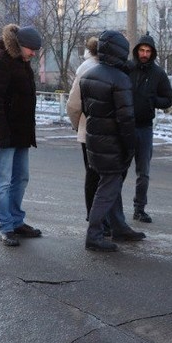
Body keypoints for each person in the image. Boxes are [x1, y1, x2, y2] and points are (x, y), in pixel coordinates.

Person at [79, 30, 145, 252]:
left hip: (95, 140)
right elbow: (126, 119)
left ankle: (118, 227)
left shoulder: (89, 74)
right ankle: (94, 235)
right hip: (113, 144)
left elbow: (87, 110)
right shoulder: (120, 79)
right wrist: (130, 146)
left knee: (108, 186)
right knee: (107, 189)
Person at [0, 24, 44, 247]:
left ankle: (17, 221)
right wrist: (1, 134)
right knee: (2, 182)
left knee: (21, 178)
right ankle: (6, 227)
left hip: (21, 133)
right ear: (20, 45)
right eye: (31, 49)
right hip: (3, 135)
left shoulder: (21, 61)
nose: (33, 54)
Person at [128, 34, 172, 223]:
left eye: (148, 51)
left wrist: (152, 101)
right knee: (118, 171)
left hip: (145, 128)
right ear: (137, 50)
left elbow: (168, 99)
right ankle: (111, 211)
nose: (144, 54)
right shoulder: (127, 68)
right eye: (141, 50)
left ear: (152, 53)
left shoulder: (158, 73)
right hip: (125, 126)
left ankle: (139, 208)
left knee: (143, 172)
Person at [67, 36, 101, 223]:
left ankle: (92, 213)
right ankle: (102, 216)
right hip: (103, 131)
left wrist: (77, 124)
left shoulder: (84, 68)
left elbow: (73, 105)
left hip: (86, 129)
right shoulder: (113, 66)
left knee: (92, 172)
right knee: (104, 175)